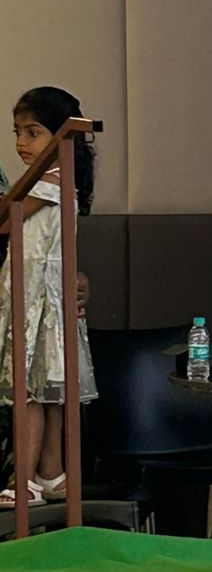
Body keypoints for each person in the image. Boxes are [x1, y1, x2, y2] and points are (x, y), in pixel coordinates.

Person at [0, 86, 98, 507]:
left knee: (31, 390)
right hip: (38, 294)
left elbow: (7, 217)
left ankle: (25, 479)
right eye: (17, 133)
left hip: (38, 297)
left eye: (33, 132)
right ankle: (51, 471)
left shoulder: (49, 181)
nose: (21, 143)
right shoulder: (52, 180)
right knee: (48, 389)